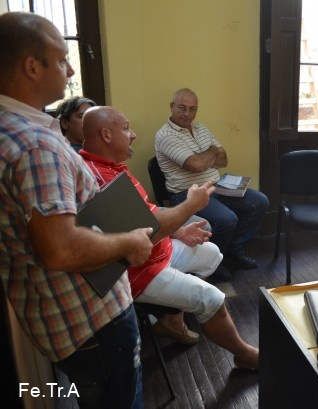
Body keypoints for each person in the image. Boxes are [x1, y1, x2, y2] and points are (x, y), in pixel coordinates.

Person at [0, 12, 154, 409]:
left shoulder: (15, 129)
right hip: (92, 325)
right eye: (62, 59)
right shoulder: (36, 146)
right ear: (32, 67)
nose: (70, 70)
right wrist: (129, 243)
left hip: (61, 321)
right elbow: (61, 249)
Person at [81, 105, 259, 368]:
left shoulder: (112, 167)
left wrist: (179, 231)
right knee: (212, 299)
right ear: (106, 135)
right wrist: (190, 205)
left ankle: (172, 317)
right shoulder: (96, 177)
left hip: (159, 250)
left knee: (212, 254)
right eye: (126, 128)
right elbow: (143, 230)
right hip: (137, 270)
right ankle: (245, 355)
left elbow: (144, 215)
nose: (133, 135)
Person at [155, 88, 269, 270]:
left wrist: (206, 157)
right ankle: (214, 265)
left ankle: (234, 250)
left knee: (259, 202)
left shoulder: (201, 128)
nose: (187, 114)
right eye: (182, 108)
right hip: (188, 193)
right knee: (227, 219)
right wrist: (213, 151)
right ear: (171, 106)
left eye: (192, 109)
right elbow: (196, 165)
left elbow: (223, 160)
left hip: (217, 185)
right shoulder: (165, 136)